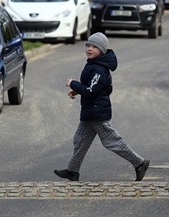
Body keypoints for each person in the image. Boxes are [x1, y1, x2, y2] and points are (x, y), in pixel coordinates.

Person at [54, 32, 150, 182]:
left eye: (94, 46)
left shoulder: (99, 69)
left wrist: (73, 83)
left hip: (97, 112)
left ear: (102, 50)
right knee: (79, 140)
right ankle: (72, 171)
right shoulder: (94, 64)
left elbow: (91, 91)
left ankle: (139, 163)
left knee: (112, 141)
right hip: (90, 111)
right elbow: (91, 88)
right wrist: (77, 90)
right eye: (88, 45)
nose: (89, 49)